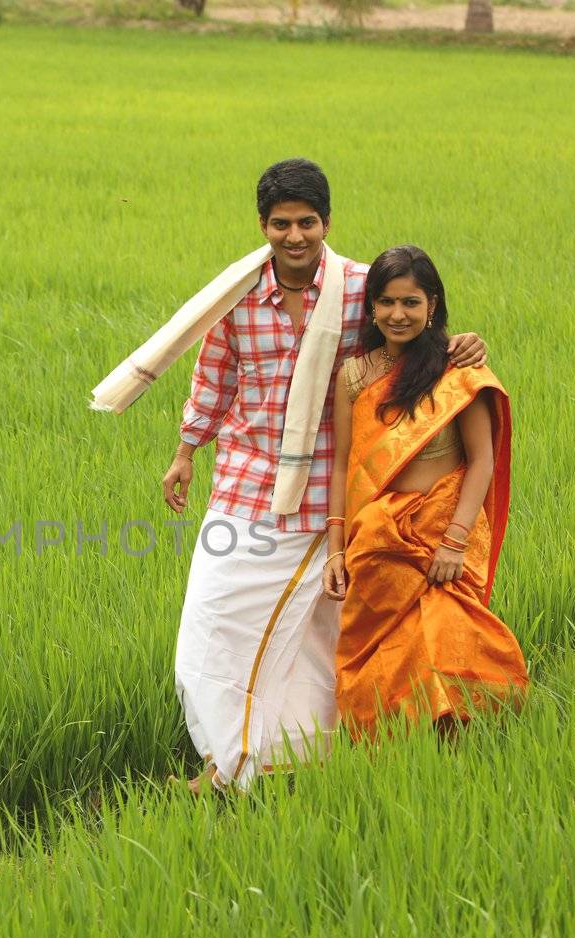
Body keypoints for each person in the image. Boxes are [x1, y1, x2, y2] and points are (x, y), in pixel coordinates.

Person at [116, 159, 485, 793]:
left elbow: (413, 330)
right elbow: (215, 378)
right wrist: (185, 450)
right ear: (263, 225)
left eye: (307, 223)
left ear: (327, 223)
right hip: (244, 481)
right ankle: (228, 756)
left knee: (316, 640)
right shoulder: (236, 299)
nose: (295, 237)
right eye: (281, 224)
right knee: (211, 622)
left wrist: (461, 344)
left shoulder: (363, 290)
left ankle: (279, 762)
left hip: (333, 492)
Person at [323, 245, 527, 741]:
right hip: (380, 541)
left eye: (411, 302)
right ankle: (396, 748)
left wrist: (455, 541)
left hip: (443, 534)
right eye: (387, 302)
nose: (398, 314)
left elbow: (481, 459)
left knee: (444, 637)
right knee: (388, 653)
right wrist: (335, 548)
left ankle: (460, 744)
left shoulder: (457, 371)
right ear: (371, 307)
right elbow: (345, 464)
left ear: (432, 305)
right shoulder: (354, 377)